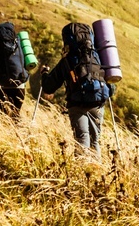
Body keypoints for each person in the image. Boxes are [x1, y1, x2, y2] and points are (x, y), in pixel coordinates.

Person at [41, 22, 113, 157]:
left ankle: (82, 171)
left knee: (82, 139)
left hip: (77, 103)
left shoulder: (68, 60)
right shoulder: (98, 55)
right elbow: (111, 85)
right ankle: (96, 171)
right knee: (95, 141)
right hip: (98, 102)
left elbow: (48, 87)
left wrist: (44, 73)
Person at [0, 21, 29, 121]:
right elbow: (27, 65)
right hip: (20, 86)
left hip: (2, 87)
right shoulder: (20, 48)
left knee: (5, 117)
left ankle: (7, 134)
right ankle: (19, 133)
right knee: (16, 115)